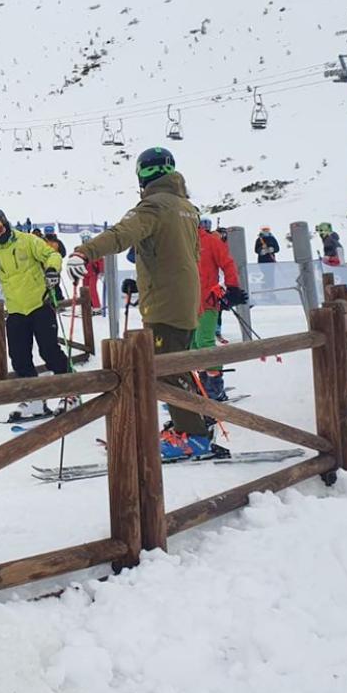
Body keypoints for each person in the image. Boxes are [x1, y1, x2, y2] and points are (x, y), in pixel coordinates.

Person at [66, 146, 220, 460]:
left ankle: (193, 437)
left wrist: (84, 251)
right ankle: (191, 424)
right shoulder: (186, 207)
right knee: (177, 364)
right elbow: (185, 255)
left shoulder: (153, 206)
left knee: (165, 370)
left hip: (166, 303)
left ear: (142, 175)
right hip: (183, 298)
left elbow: (121, 233)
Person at [0, 209, 74, 421]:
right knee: (19, 358)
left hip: (40, 304)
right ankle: (35, 399)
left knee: (49, 351)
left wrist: (52, 270)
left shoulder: (28, 241)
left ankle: (70, 392)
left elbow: (52, 255)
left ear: (5, 223)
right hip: (17, 310)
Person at [195, 221, 247, 400]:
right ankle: (201, 385)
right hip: (186, 304)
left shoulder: (209, 241)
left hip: (208, 300)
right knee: (193, 344)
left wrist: (232, 288)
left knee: (205, 341)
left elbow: (227, 263)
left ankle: (215, 388)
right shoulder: (180, 241)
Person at [78, 232, 105, 310]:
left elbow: (100, 260)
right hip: (84, 273)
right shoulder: (80, 249)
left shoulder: (95, 248)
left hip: (93, 272)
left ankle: (96, 306)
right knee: (84, 290)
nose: (85, 241)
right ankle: (87, 305)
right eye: (84, 239)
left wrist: (101, 271)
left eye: (87, 239)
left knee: (92, 289)